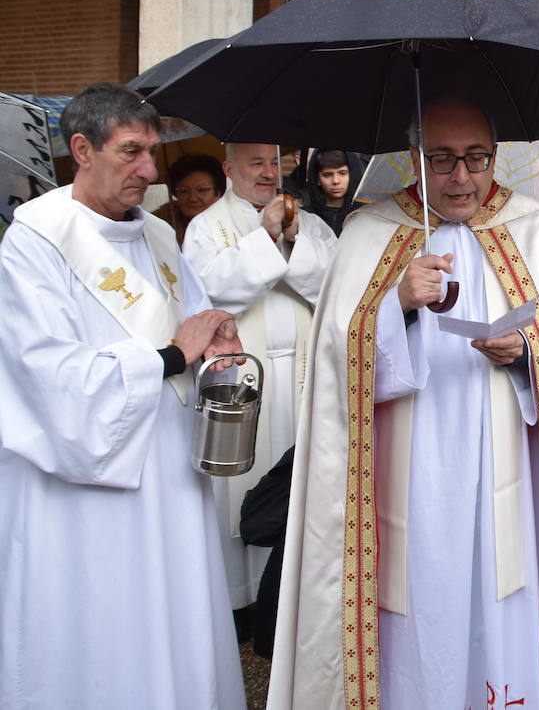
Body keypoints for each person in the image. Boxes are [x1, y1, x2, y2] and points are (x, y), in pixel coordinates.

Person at [269, 96, 539, 709]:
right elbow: (332, 370)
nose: (462, 177)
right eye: (443, 159)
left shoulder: (534, 229)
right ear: (412, 159)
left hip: (507, 468)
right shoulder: (370, 232)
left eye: (477, 158)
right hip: (409, 480)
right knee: (417, 601)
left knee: (500, 594)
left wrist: (527, 356)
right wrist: (395, 304)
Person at [0, 82, 246, 708]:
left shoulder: (159, 238)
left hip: (169, 468)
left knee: (174, 606)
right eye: (131, 152)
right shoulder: (37, 239)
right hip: (86, 485)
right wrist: (169, 356)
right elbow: (47, 372)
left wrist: (216, 343)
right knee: (103, 622)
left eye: (152, 151)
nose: (148, 169)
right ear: (82, 148)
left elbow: (193, 328)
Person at [183, 142, 338, 620]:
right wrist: (265, 240)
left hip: (303, 374)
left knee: (297, 479)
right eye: (256, 164)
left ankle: (292, 592)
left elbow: (336, 285)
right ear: (229, 169)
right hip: (244, 380)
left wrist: (292, 240)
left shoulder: (309, 223)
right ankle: (241, 599)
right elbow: (207, 291)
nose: (268, 173)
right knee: (239, 484)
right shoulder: (206, 226)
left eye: (274, 163)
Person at [155, 152, 225, 243]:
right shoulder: (158, 227)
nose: (193, 198)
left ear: (219, 191)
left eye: (202, 190)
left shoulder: (236, 219)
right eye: (184, 191)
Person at [303, 148, 366, 236]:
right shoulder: (304, 217)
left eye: (342, 173)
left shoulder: (364, 215)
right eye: (327, 175)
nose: (336, 181)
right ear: (317, 179)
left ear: (351, 175)